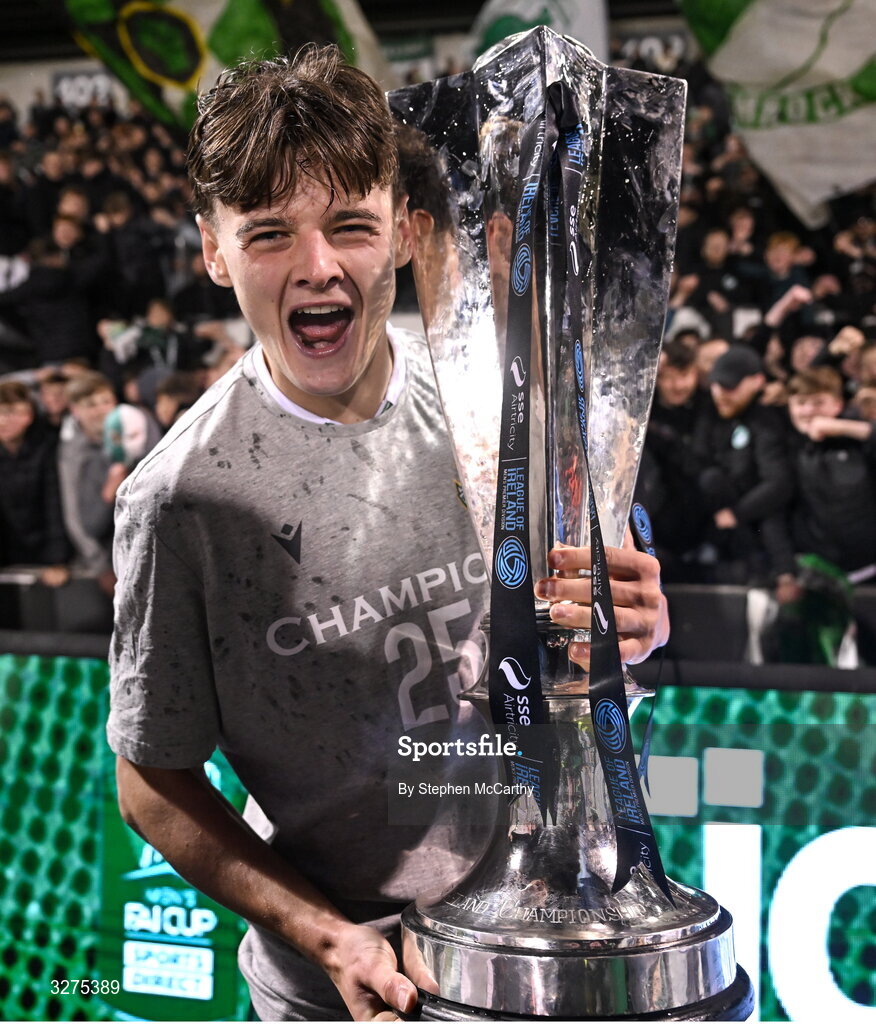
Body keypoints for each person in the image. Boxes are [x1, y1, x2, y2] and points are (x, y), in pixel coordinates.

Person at [107, 46, 668, 1022]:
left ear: (407, 234)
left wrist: (631, 633)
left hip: (545, 946)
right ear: (213, 249)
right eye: (271, 233)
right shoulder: (181, 501)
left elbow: (593, 655)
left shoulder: (505, 403)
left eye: (351, 226)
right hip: (346, 985)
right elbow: (152, 782)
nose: (318, 267)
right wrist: (329, 935)